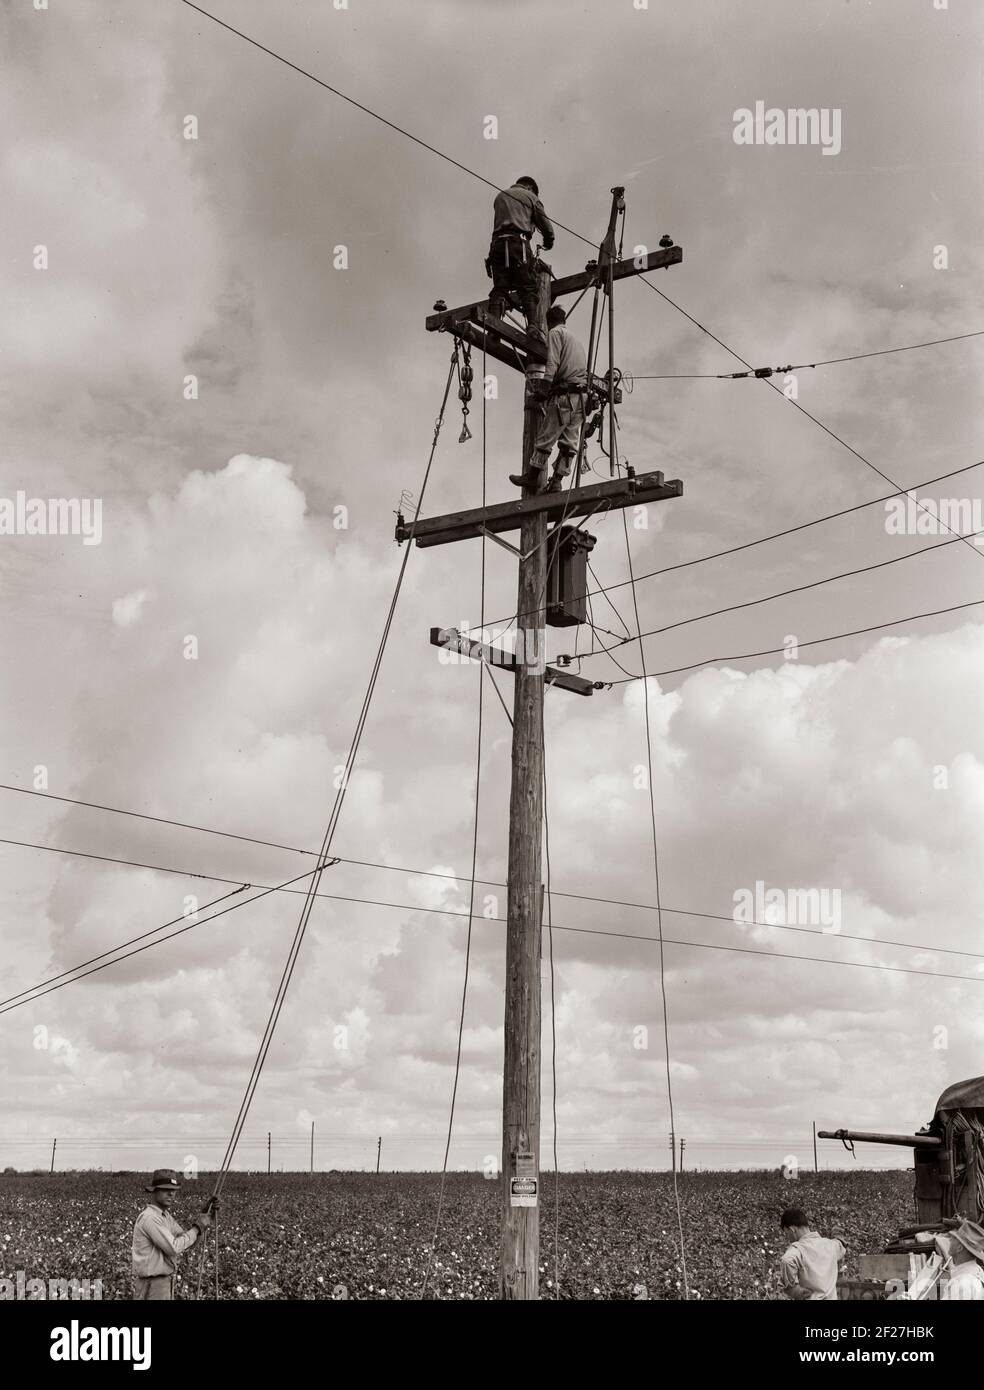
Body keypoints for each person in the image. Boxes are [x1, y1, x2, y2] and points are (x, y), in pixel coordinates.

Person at [509, 305, 588, 493]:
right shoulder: (575, 339)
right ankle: (557, 482)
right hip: (582, 397)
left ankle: (533, 476)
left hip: (566, 396)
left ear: (549, 321)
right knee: (569, 442)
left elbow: (552, 362)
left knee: (546, 436)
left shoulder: (555, 333)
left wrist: (544, 388)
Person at [486, 176, 555, 339]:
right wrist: (549, 241)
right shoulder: (531, 197)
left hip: (497, 246)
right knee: (527, 286)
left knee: (500, 287)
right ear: (530, 187)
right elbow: (545, 224)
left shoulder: (500, 196)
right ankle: (532, 327)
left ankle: (494, 326)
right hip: (519, 244)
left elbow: (497, 225)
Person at [131, 1169, 213, 1300]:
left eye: (174, 1190)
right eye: (165, 1189)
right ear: (154, 1191)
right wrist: (198, 1227)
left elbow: (187, 1241)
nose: (171, 1194)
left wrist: (205, 1217)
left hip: (162, 1283)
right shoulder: (150, 1217)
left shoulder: (165, 1217)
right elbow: (175, 1247)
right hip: (153, 1285)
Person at [778, 1207, 846, 1301]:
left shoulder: (796, 1252)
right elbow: (841, 1245)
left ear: (792, 1229)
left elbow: (787, 1260)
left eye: (786, 1233)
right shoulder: (830, 1245)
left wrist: (796, 1290)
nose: (788, 1238)